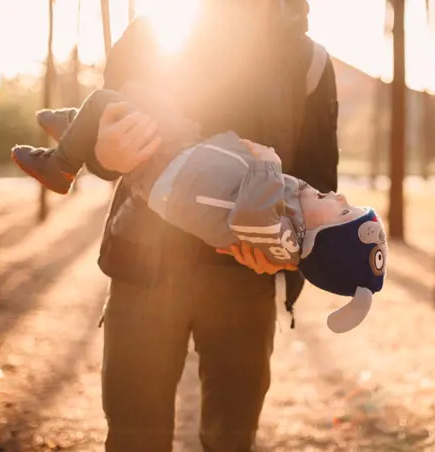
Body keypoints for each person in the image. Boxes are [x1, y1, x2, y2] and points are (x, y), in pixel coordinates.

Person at [73, 1, 341, 450]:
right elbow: (105, 141)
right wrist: (103, 157)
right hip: (144, 270)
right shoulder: (152, 35)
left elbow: (317, 179)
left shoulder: (309, 61)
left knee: (231, 439)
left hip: (244, 280)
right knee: (134, 437)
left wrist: (284, 251)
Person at [11, 83, 387, 332]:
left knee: (119, 103)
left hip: (175, 178)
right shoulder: (296, 221)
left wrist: (268, 163)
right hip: (187, 159)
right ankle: (78, 129)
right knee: (134, 99)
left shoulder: (285, 239)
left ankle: (61, 163)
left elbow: (250, 214)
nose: (339, 197)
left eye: (342, 212)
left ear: (319, 243)